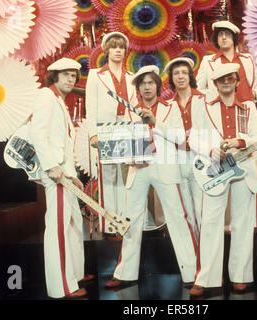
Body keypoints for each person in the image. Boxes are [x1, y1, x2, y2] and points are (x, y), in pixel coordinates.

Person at [104, 65, 197, 289]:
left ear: (158, 85)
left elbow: (179, 137)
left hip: (165, 166)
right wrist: (129, 157)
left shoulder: (170, 107)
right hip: (139, 168)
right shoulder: (129, 110)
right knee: (132, 219)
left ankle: (193, 273)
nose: (147, 87)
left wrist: (155, 121)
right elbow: (123, 144)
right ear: (137, 88)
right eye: (142, 83)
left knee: (177, 217)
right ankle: (125, 273)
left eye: (150, 82)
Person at [188, 63, 257, 297]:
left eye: (230, 78)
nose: (226, 82)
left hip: (243, 168)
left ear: (237, 81)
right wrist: (211, 150)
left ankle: (240, 276)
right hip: (215, 170)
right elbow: (193, 139)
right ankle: (207, 279)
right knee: (210, 223)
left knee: (242, 222)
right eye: (221, 80)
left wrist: (239, 143)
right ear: (215, 84)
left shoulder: (249, 107)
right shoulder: (203, 106)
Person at [30, 57, 94, 299]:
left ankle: (75, 273)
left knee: (74, 224)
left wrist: (74, 176)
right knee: (57, 229)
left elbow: (64, 144)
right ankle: (62, 287)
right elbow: (38, 133)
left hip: (64, 174)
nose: (71, 79)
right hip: (54, 174)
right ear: (54, 76)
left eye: (74, 75)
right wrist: (51, 166)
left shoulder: (60, 101)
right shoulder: (46, 97)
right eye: (66, 74)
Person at [86, 32, 137, 235]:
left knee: (128, 174)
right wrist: (93, 134)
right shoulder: (95, 75)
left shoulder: (132, 77)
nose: (117, 50)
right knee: (109, 175)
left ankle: (126, 220)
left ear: (125, 51)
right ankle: (110, 224)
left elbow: (134, 107)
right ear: (106, 50)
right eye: (114, 46)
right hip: (106, 128)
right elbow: (91, 108)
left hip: (128, 129)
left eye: (121, 47)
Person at [164, 57, 206, 231]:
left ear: (190, 76)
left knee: (204, 210)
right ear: (171, 79)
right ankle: (194, 255)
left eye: (184, 72)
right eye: (176, 73)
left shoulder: (205, 99)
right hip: (179, 159)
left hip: (202, 158)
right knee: (186, 212)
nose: (180, 76)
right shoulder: (167, 105)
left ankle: (207, 255)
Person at [196, 20, 257, 103]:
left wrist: (255, 94)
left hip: (246, 110)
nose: (224, 37)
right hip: (220, 112)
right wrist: (212, 99)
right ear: (217, 39)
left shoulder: (247, 59)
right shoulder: (208, 61)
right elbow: (198, 89)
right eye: (220, 34)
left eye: (228, 34)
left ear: (234, 38)